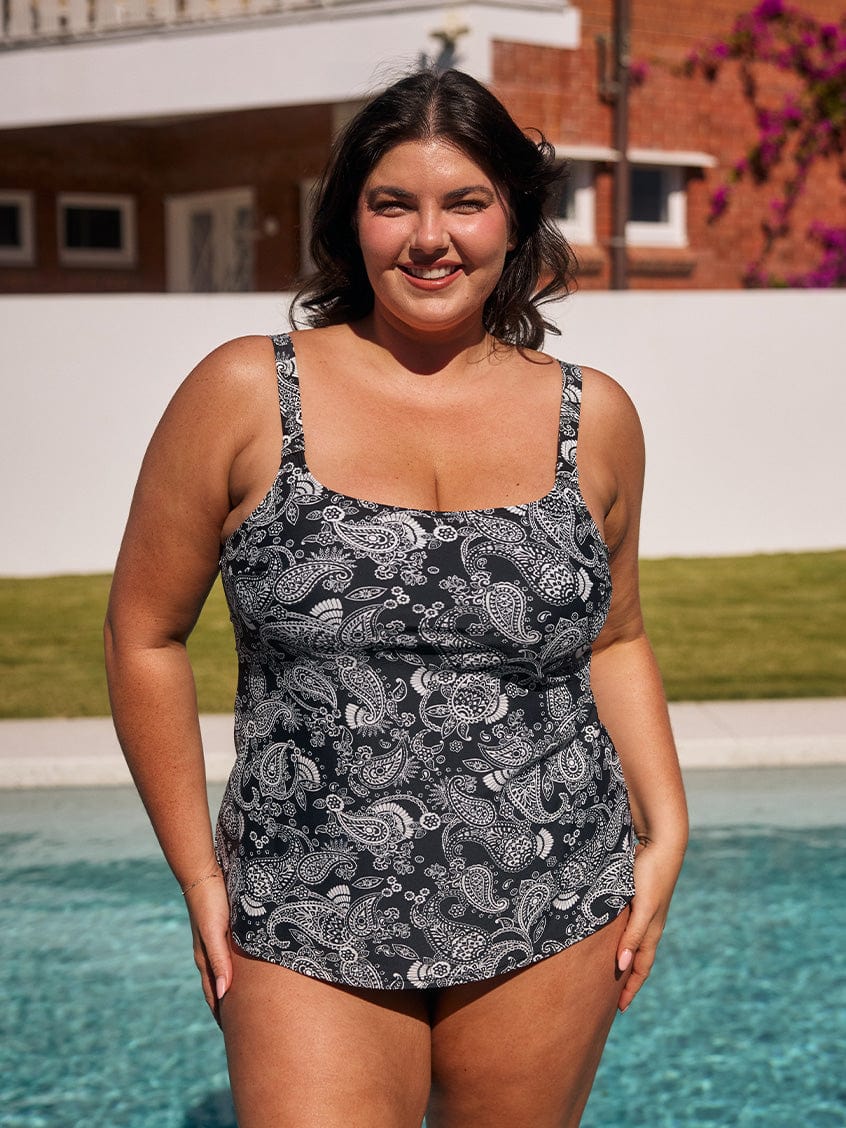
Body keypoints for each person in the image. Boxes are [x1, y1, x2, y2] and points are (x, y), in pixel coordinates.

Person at [105, 68, 688, 1128]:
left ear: (514, 218)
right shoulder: (245, 392)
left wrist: (669, 826)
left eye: (465, 202)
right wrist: (199, 873)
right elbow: (143, 633)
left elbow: (616, 638)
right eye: (393, 204)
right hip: (302, 900)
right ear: (351, 221)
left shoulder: (594, 418)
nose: (430, 238)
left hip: (555, 888)